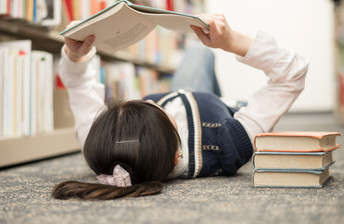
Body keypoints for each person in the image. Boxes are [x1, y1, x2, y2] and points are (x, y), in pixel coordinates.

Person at [52, 14, 309, 200]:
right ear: (178, 156)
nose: (151, 100)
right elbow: (293, 72)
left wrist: (75, 56)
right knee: (200, 52)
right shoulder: (231, 140)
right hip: (221, 111)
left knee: (198, 53)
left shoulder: (98, 144)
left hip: (189, 97)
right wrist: (232, 41)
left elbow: (79, 87)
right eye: (159, 110)